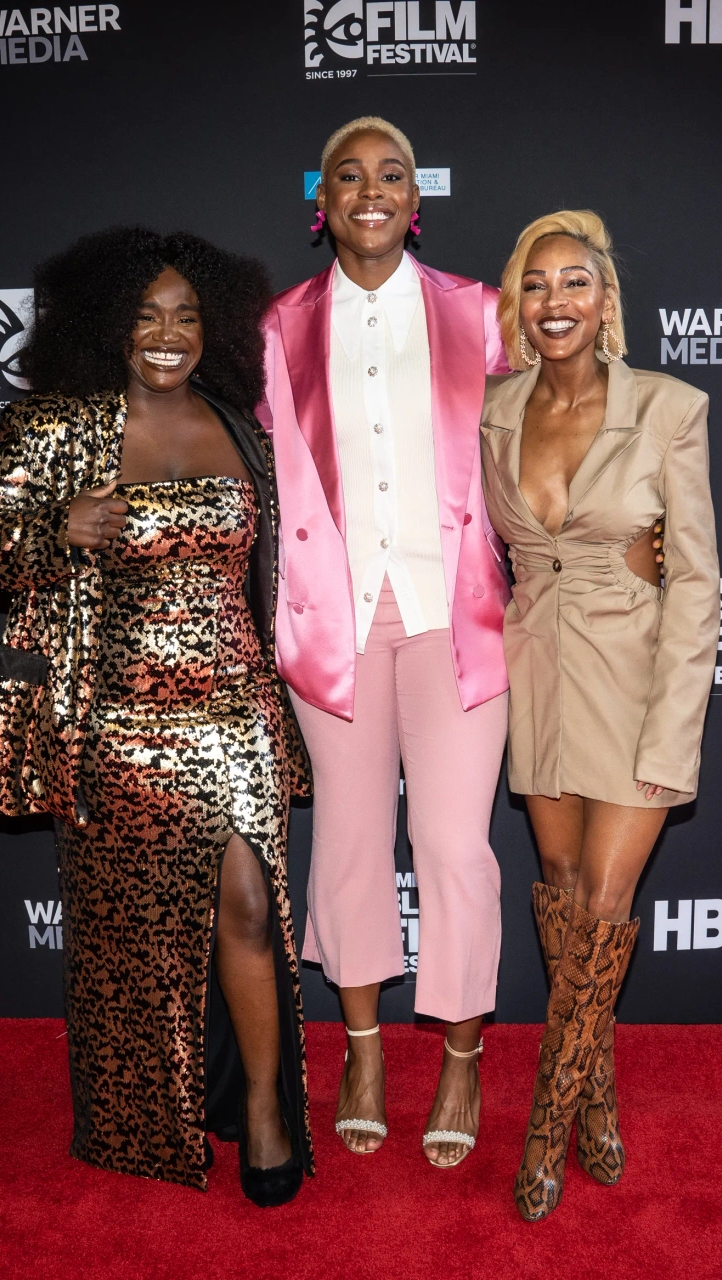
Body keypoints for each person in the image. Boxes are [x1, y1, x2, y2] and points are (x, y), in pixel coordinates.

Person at [0, 226, 312, 1207]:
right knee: (140, 939)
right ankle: (149, 1111)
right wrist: (51, 526)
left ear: (214, 328)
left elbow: (279, 570)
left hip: (235, 706)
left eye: (187, 315)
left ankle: (267, 1112)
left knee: (246, 906)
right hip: (116, 725)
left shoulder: (240, 427)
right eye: (147, 314)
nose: (168, 333)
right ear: (111, 323)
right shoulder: (61, 429)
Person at [257, 116, 512, 1168]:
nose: (372, 189)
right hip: (335, 624)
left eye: (392, 173)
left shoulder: (482, 313)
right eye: (349, 175)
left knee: (453, 847)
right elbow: (259, 477)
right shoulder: (279, 325)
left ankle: (459, 1051)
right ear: (324, 200)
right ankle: (362, 1050)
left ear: (419, 198)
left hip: (459, 615)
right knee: (353, 844)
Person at [479, 211, 719, 1220]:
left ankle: (546, 1120)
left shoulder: (669, 406)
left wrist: (674, 732)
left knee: (607, 907)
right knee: (564, 891)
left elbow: (697, 580)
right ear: (517, 304)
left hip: (632, 677)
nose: (556, 302)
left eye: (575, 283)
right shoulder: (492, 408)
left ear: (605, 300)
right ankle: (600, 1098)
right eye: (537, 286)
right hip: (536, 670)